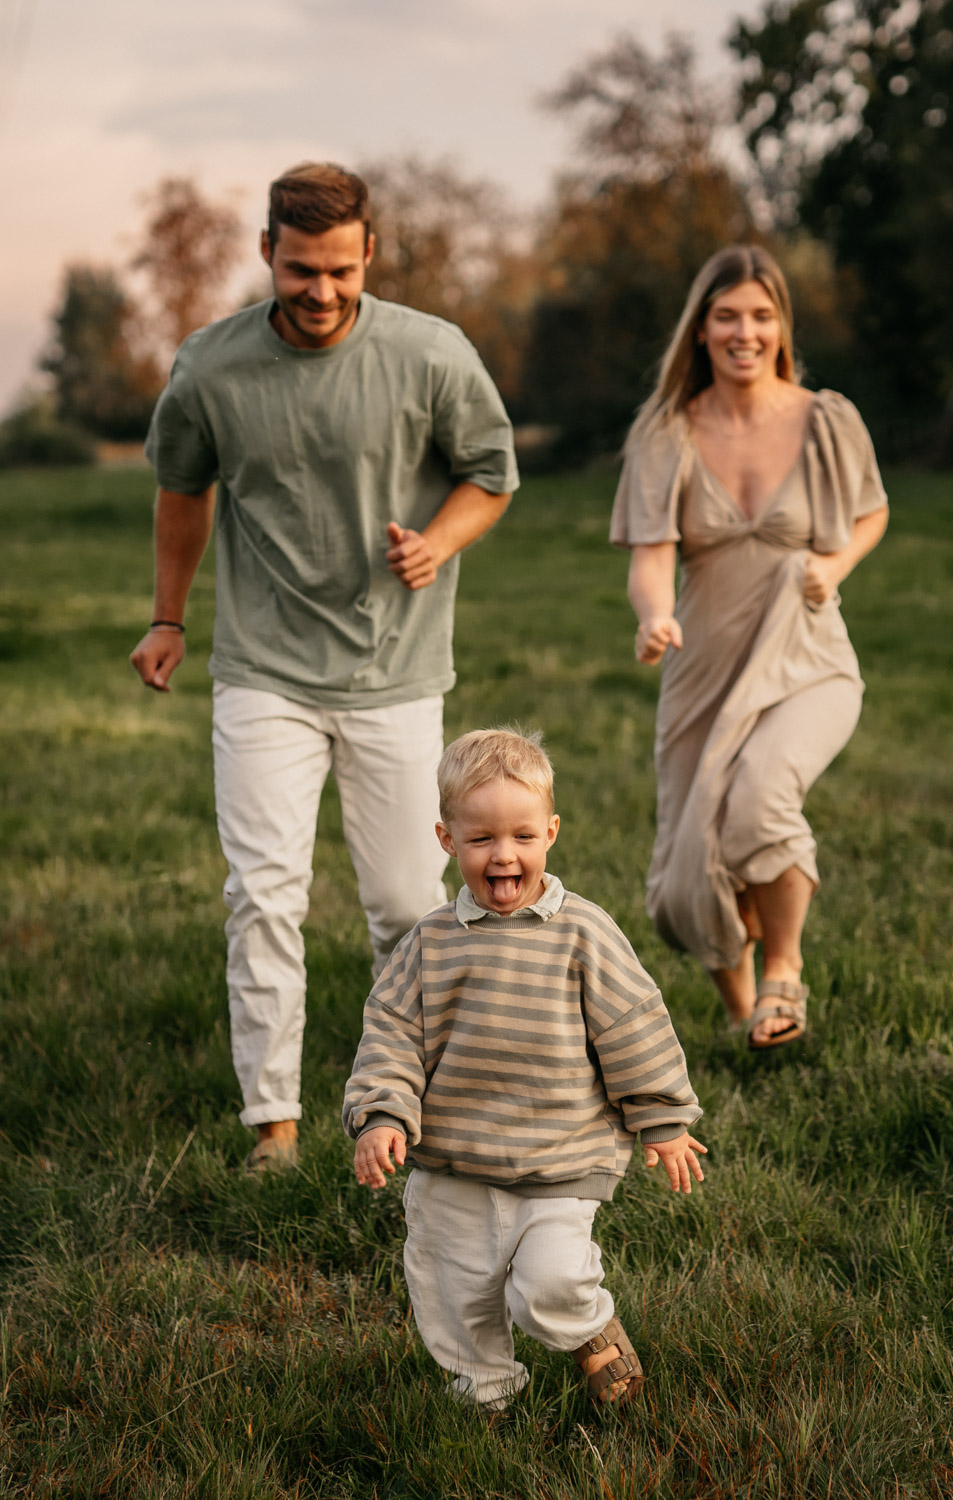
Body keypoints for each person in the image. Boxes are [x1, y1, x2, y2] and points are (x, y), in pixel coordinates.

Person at [129, 163, 519, 1169]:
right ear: (267, 253)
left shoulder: (430, 354)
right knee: (263, 895)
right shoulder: (210, 369)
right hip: (263, 671)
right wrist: (169, 618)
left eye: (340, 271)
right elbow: (181, 490)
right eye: (300, 270)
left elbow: (490, 474)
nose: (320, 292)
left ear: (369, 256)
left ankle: (402, 1101)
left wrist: (439, 542)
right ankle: (276, 1126)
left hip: (395, 673)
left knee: (402, 905)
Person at [343, 728, 706, 1409]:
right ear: (447, 839)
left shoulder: (584, 933)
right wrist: (382, 1114)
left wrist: (661, 1119)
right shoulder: (429, 944)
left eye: (522, 836)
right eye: (481, 839)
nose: (503, 854)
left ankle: (590, 1329)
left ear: (551, 832)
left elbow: (633, 1027)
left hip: (561, 1155)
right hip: (455, 1156)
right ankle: (484, 1391)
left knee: (550, 1281)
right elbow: (389, 1034)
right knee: (455, 1289)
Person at [610, 245, 888, 1049]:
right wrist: (654, 615)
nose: (746, 331)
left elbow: (871, 511)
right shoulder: (666, 434)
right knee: (691, 858)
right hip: (704, 666)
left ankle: (784, 973)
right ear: (700, 330)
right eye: (727, 316)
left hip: (808, 659)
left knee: (761, 794)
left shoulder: (827, 418)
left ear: (782, 327)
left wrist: (833, 565)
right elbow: (651, 558)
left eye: (762, 316)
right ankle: (742, 1018)